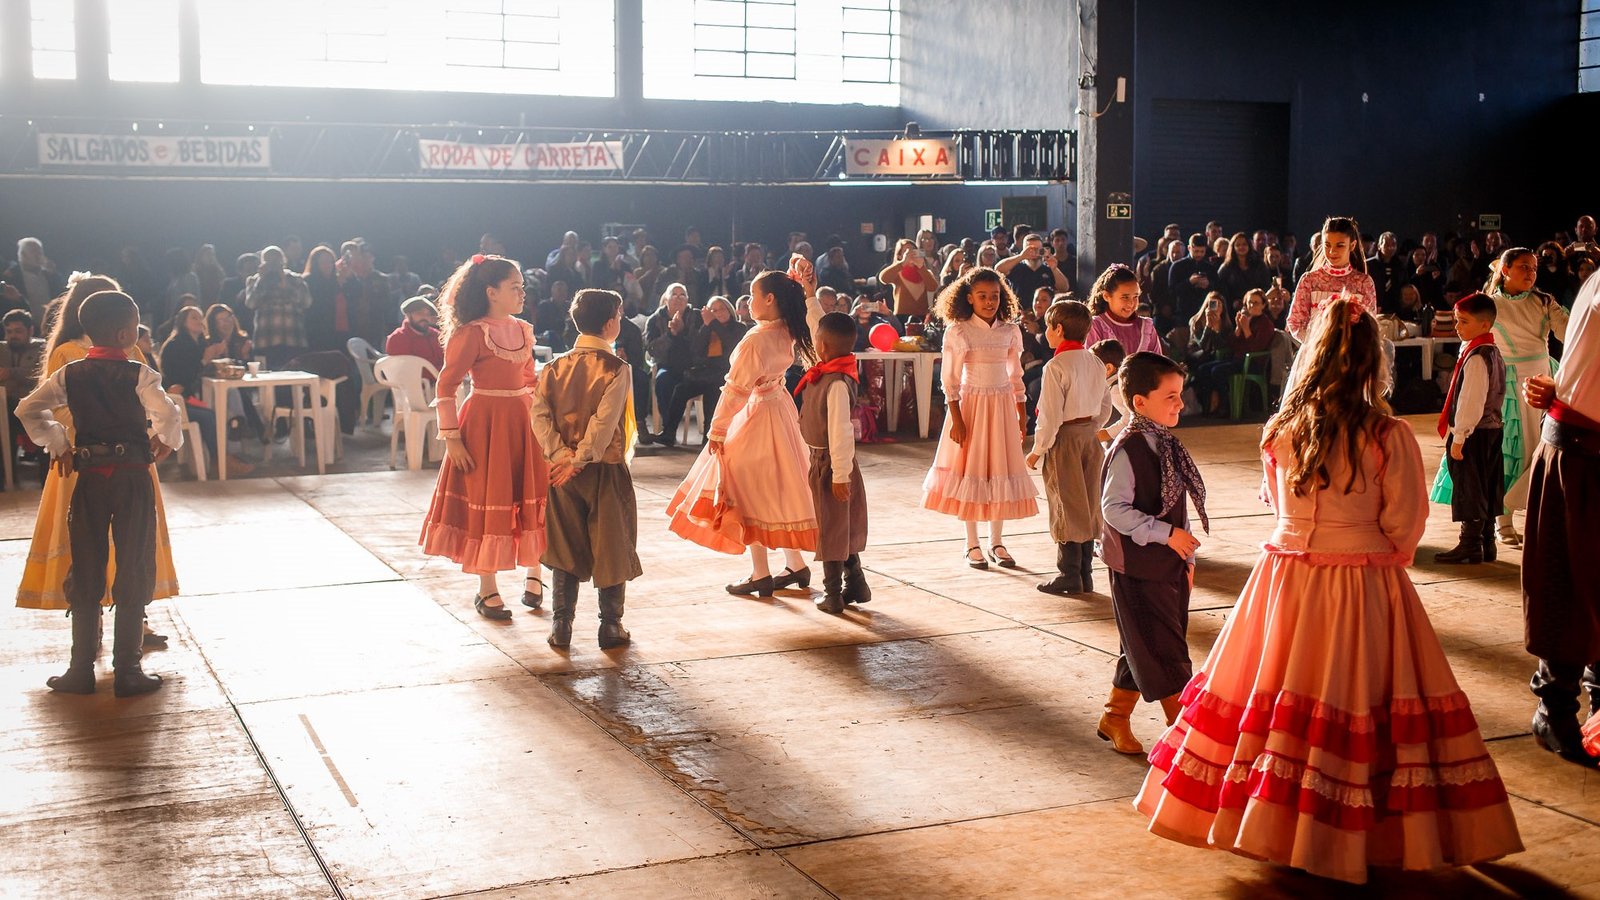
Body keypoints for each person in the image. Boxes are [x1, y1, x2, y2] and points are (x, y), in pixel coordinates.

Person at [1135, 298, 1522, 884]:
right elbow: (1405, 523)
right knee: (1357, 700)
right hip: (1361, 580)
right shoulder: (1386, 434)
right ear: (1374, 364)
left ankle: (1273, 825)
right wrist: (1378, 553)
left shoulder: (1281, 430)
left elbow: (1276, 502)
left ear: (1311, 358)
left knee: (1274, 698)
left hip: (1285, 580)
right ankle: (1346, 836)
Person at [16, 290, 183, 696]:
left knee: (86, 567)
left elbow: (27, 409)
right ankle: (127, 671)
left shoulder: (69, 373)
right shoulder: (139, 374)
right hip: (132, 480)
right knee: (133, 565)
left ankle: (79, 671)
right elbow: (168, 413)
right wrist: (166, 440)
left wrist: (57, 441)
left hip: (89, 480)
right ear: (127, 333)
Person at [665, 260, 825, 595]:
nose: (748, 301)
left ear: (770, 300)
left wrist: (717, 430)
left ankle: (760, 573)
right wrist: (808, 293)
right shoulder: (787, 329)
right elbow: (817, 326)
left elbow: (736, 390)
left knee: (745, 488)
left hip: (757, 415)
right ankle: (794, 564)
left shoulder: (757, 340)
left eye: (753, 295)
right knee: (774, 485)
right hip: (779, 410)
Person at [418, 255, 550, 620]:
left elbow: (528, 379)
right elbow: (445, 386)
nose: (522, 293)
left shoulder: (523, 329)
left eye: (522, 287)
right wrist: (453, 438)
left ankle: (535, 574)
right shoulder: (472, 332)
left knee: (530, 493)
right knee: (489, 498)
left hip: (521, 421)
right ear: (491, 292)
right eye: (515, 288)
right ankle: (487, 588)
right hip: (485, 424)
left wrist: (545, 416)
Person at [1094, 352, 1206, 755]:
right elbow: (1114, 510)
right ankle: (1185, 736)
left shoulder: (1165, 443)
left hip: (1168, 562)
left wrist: (1186, 556)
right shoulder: (1130, 448)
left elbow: (1178, 505)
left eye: (1180, 394)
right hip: (1137, 566)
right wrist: (1166, 534)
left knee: (1141, 642)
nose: (1180, 402)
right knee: (1167, 650)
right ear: (1139, 402)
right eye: (1170, 396)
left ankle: (1115, 716)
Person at [530, 289, 641, 650]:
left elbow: (539, 415)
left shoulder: (553, 367)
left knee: (564, 545)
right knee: (611, 544)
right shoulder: (616, 368)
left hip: (561, 472)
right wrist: (580, 458)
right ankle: (611, 627)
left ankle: (562, 626)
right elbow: (605, 423)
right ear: (611, 324)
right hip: (604, 468)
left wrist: (561, 456)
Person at [1522, 270, 1600, 766]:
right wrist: (1568, 387)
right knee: (1568, 584)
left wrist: (1565, 383)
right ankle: (1557, 711)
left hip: (1579, 440)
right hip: (1579, 454)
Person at [922, 267, 1039, 569]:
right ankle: (971, 542)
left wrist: (1022, 414)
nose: (990, 302)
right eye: (983, 296)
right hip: (971, 406)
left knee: (999, 468)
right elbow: (950, 379)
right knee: (972, 470)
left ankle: (996, 541)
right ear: (969, 298)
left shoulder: (1009, 331)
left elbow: (1016, 376)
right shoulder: (959, 331)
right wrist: (957, 418)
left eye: (995, 296)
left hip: (1001, 406)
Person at [1480, 246, 1569, 546]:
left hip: (1544, 379)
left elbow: (1568, 330)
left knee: (1544, 448)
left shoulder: (1543, 302)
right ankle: (1502, 521)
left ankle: (1540, 519)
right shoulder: (1491, 305)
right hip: (1507, 383)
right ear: (1505, 270)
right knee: (1510, 450)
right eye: (1523, 267)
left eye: (1533, 268)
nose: (1530, 273)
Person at [1027, 300, 1111, 596]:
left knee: (1065, 502)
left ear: (1058, 329)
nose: (1046, 332)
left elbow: (1049, 415)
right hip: (1090, 436)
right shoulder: (1095, 361)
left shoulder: (1055, 366)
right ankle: (1086, 574)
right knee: (1088, 503)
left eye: (1048, 327)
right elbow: (1105, 405)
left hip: (1065, 437)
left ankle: (1069, 573)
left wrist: (1037, 450)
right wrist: (1092, 428)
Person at [796, 312, 871, 614]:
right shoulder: (827, 367)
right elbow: (817, 325)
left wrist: (841, 474)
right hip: (822, 460)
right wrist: (809, 295)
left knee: (831, 530)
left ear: (822, 347)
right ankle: (857, 584)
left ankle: (833, 595)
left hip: (833, 463)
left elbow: (841, 432)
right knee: (841, 526)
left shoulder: (837, 382)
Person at [1430, 293, 1505, 565]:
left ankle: (1471, 544)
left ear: (1485, 325)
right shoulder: (1492, 351)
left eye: (1464, 321)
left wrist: (1459, 436)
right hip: (1491, 430)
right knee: (1486, 486)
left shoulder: (1476, 358)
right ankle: (1487, 543)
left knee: (1470, 488)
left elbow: (1471, 401)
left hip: (1474, 433)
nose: (1458, 327)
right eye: (1457, 321)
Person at [648, 296, 746, 448]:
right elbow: (695, 352)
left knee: (713, 390)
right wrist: (707, 327)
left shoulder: (739, 328)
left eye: (721, 309)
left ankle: (709, 437)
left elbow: (731, 347)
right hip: (705, 373)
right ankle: (669, 433)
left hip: (726, 373)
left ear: (729, 310)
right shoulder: (706, 327)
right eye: (713, 310)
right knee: (680, 389)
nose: (717, 313)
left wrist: (712, 323)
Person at [1287, 216, 1377, 342]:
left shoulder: (1363, 282)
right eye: (1327, 245)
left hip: (1351, 354)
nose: (1332, 251)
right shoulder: (1310, 280)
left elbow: (1370, 326)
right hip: (1316, 353)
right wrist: (1317, 344)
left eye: (1340, 245)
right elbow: (1295, 322)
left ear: (1352, 245)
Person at [245, 246, 313, 369]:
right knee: (267, 381)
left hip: (293, 339)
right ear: (262, 262)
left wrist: (284, 282)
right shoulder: (253, 280)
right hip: (265, 340)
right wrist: (261, 280)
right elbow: (250, 303)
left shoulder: (296, 279)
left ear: (283, 260)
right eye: (269, 260)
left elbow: (307, 302)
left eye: (276, 259)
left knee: (293, 381)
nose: (273, 264)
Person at [1085, 264, 1163, 355]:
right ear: (1106, 296)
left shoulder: (1146, 328)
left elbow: (1158, 364)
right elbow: (1090, 364)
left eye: (1135, 296)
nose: (1131, 303)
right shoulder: (1096, 326)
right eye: (1125, 297)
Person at [2, 309, 46, 454]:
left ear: (30, 330)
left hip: (35, 406)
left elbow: (37, 374)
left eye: (18, 331)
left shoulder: (43, 349)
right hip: (5, 406)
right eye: (9, 331)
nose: (13, 336)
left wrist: (10, 373)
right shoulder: (1, 349)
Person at [3, 237, 67, 319]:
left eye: (40, 252)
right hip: (26, 326)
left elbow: (61, 295)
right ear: (23, 255)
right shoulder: (12, 277)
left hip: (51, 324)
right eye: (34, 252)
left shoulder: (49, 275)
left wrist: (54, 275)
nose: (39, 256)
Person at [997, 233, 1070, 303]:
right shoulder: (1015, 266)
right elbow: (998, 269)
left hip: (1043, 312)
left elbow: (1064, 288)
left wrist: (1054, 269)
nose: (1034, 252)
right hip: (1020, 312)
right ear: (1024, 249)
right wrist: (1021, 256)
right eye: (1030, 249)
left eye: (1037, 249)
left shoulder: (1048, 269)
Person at [384, 296, 445, 377]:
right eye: (419, 313)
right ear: (408, 315)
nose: (424, 317)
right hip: (416, 386)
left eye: (427, 314)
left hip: (441, 380)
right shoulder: (397, 339)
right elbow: (405, 371)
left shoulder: (436, 335)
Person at [878, 241, 939, 321]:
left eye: (913, 251)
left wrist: (921, 267)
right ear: (899, 256)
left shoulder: (926, 272)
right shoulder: (897, 273)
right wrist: (902, 263)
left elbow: (933, 287)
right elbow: (883, 278)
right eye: (906, 251)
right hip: (901, 317)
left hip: (922, 318)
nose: (911, 254)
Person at [1167, 234, 1216, 322]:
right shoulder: (1177, 266)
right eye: (1196, 251)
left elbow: (1217, 291)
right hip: (1183, 315)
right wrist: (1189, 282)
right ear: (1189, 248)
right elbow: (1171, 292)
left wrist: (1209, 285)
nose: (1199, 254)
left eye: (1202, 251)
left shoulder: (1210, 267)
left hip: (1205, 313)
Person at [1092, 339, 1129, 444]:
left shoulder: (1115, 388)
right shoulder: (1116, 383)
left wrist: (1106, 434)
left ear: (1108, 368)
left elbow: (1130, 418)